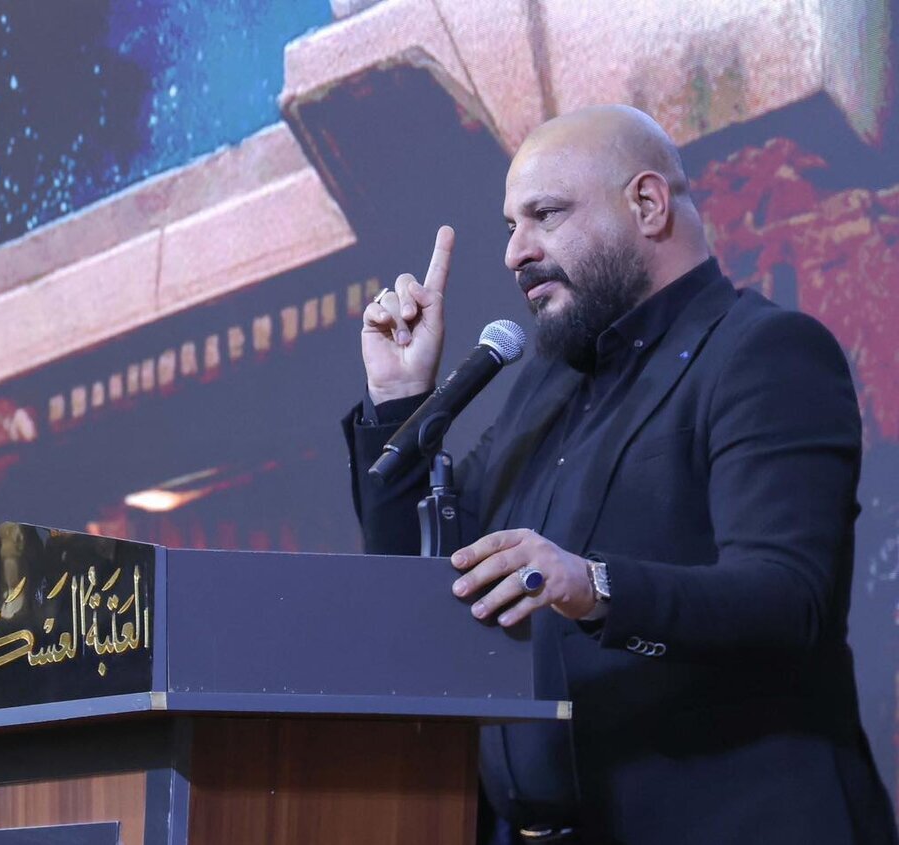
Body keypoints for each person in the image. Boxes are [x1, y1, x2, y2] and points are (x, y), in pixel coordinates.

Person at [344, 105, 897, 844]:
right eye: (510, 226)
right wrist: (399, 398)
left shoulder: (764, 354)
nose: (515, 252)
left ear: (648, 204)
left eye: (545, 215)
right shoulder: (545, 384)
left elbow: (788, 598)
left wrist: (594, 586)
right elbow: (427, 576)